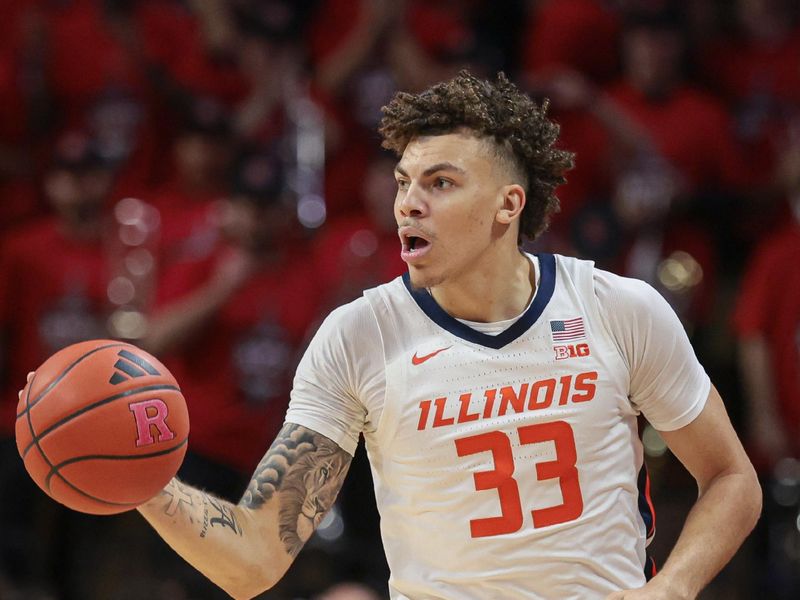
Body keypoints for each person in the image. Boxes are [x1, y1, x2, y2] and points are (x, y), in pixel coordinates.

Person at [27, 70, 759, 598]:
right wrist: (147, 481)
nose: (409, 203)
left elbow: (730, 478)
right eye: (405, 182)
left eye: (440, 183)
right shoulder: (356, 337)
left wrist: (676, 586)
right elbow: (254, 560)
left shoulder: (617, 308)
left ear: (509, 203)